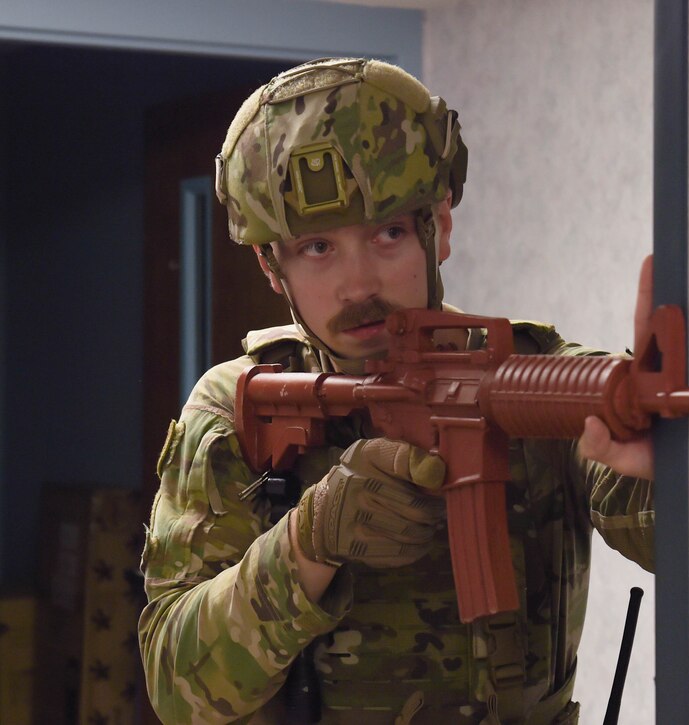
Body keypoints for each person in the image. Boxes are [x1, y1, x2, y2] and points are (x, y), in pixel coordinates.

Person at [138, 57, 654, 725]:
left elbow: (673, 541)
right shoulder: (240, 408)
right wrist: (307, 544)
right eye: (318, 248)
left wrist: (664, 464)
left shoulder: (537, 378)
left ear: (440, 225)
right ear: (270, 265)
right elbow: (177, 688)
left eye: (387, 234)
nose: (358, 284)